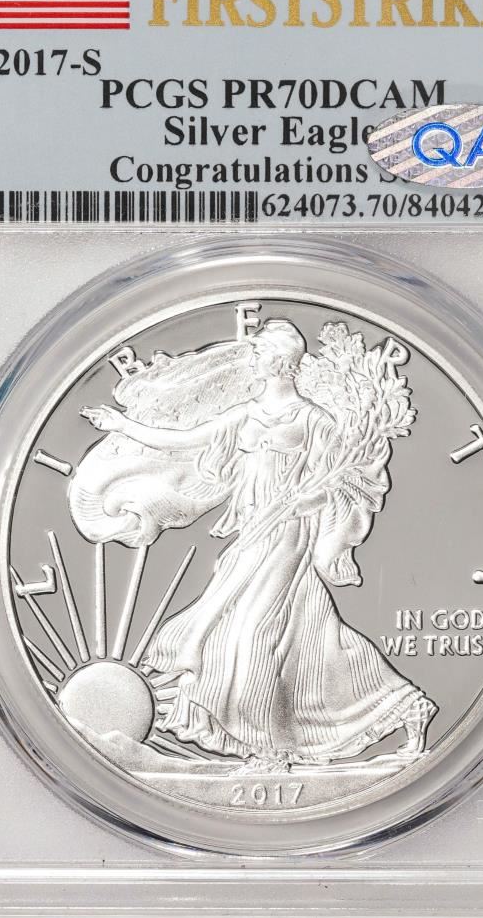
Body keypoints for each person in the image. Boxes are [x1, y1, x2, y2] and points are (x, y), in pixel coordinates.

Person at [81, 320, 435, 768]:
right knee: (301, 635)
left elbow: (336, 483)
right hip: (252, 533)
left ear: (281, 362)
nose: (252, 359)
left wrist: (304, 500)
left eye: (259, 353)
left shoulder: (314, 420)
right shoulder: (245, 415)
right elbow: (182, 442)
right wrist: (123, 425)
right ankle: (404, 706)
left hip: (288, 534)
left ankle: (269, 747)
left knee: (253, 633)